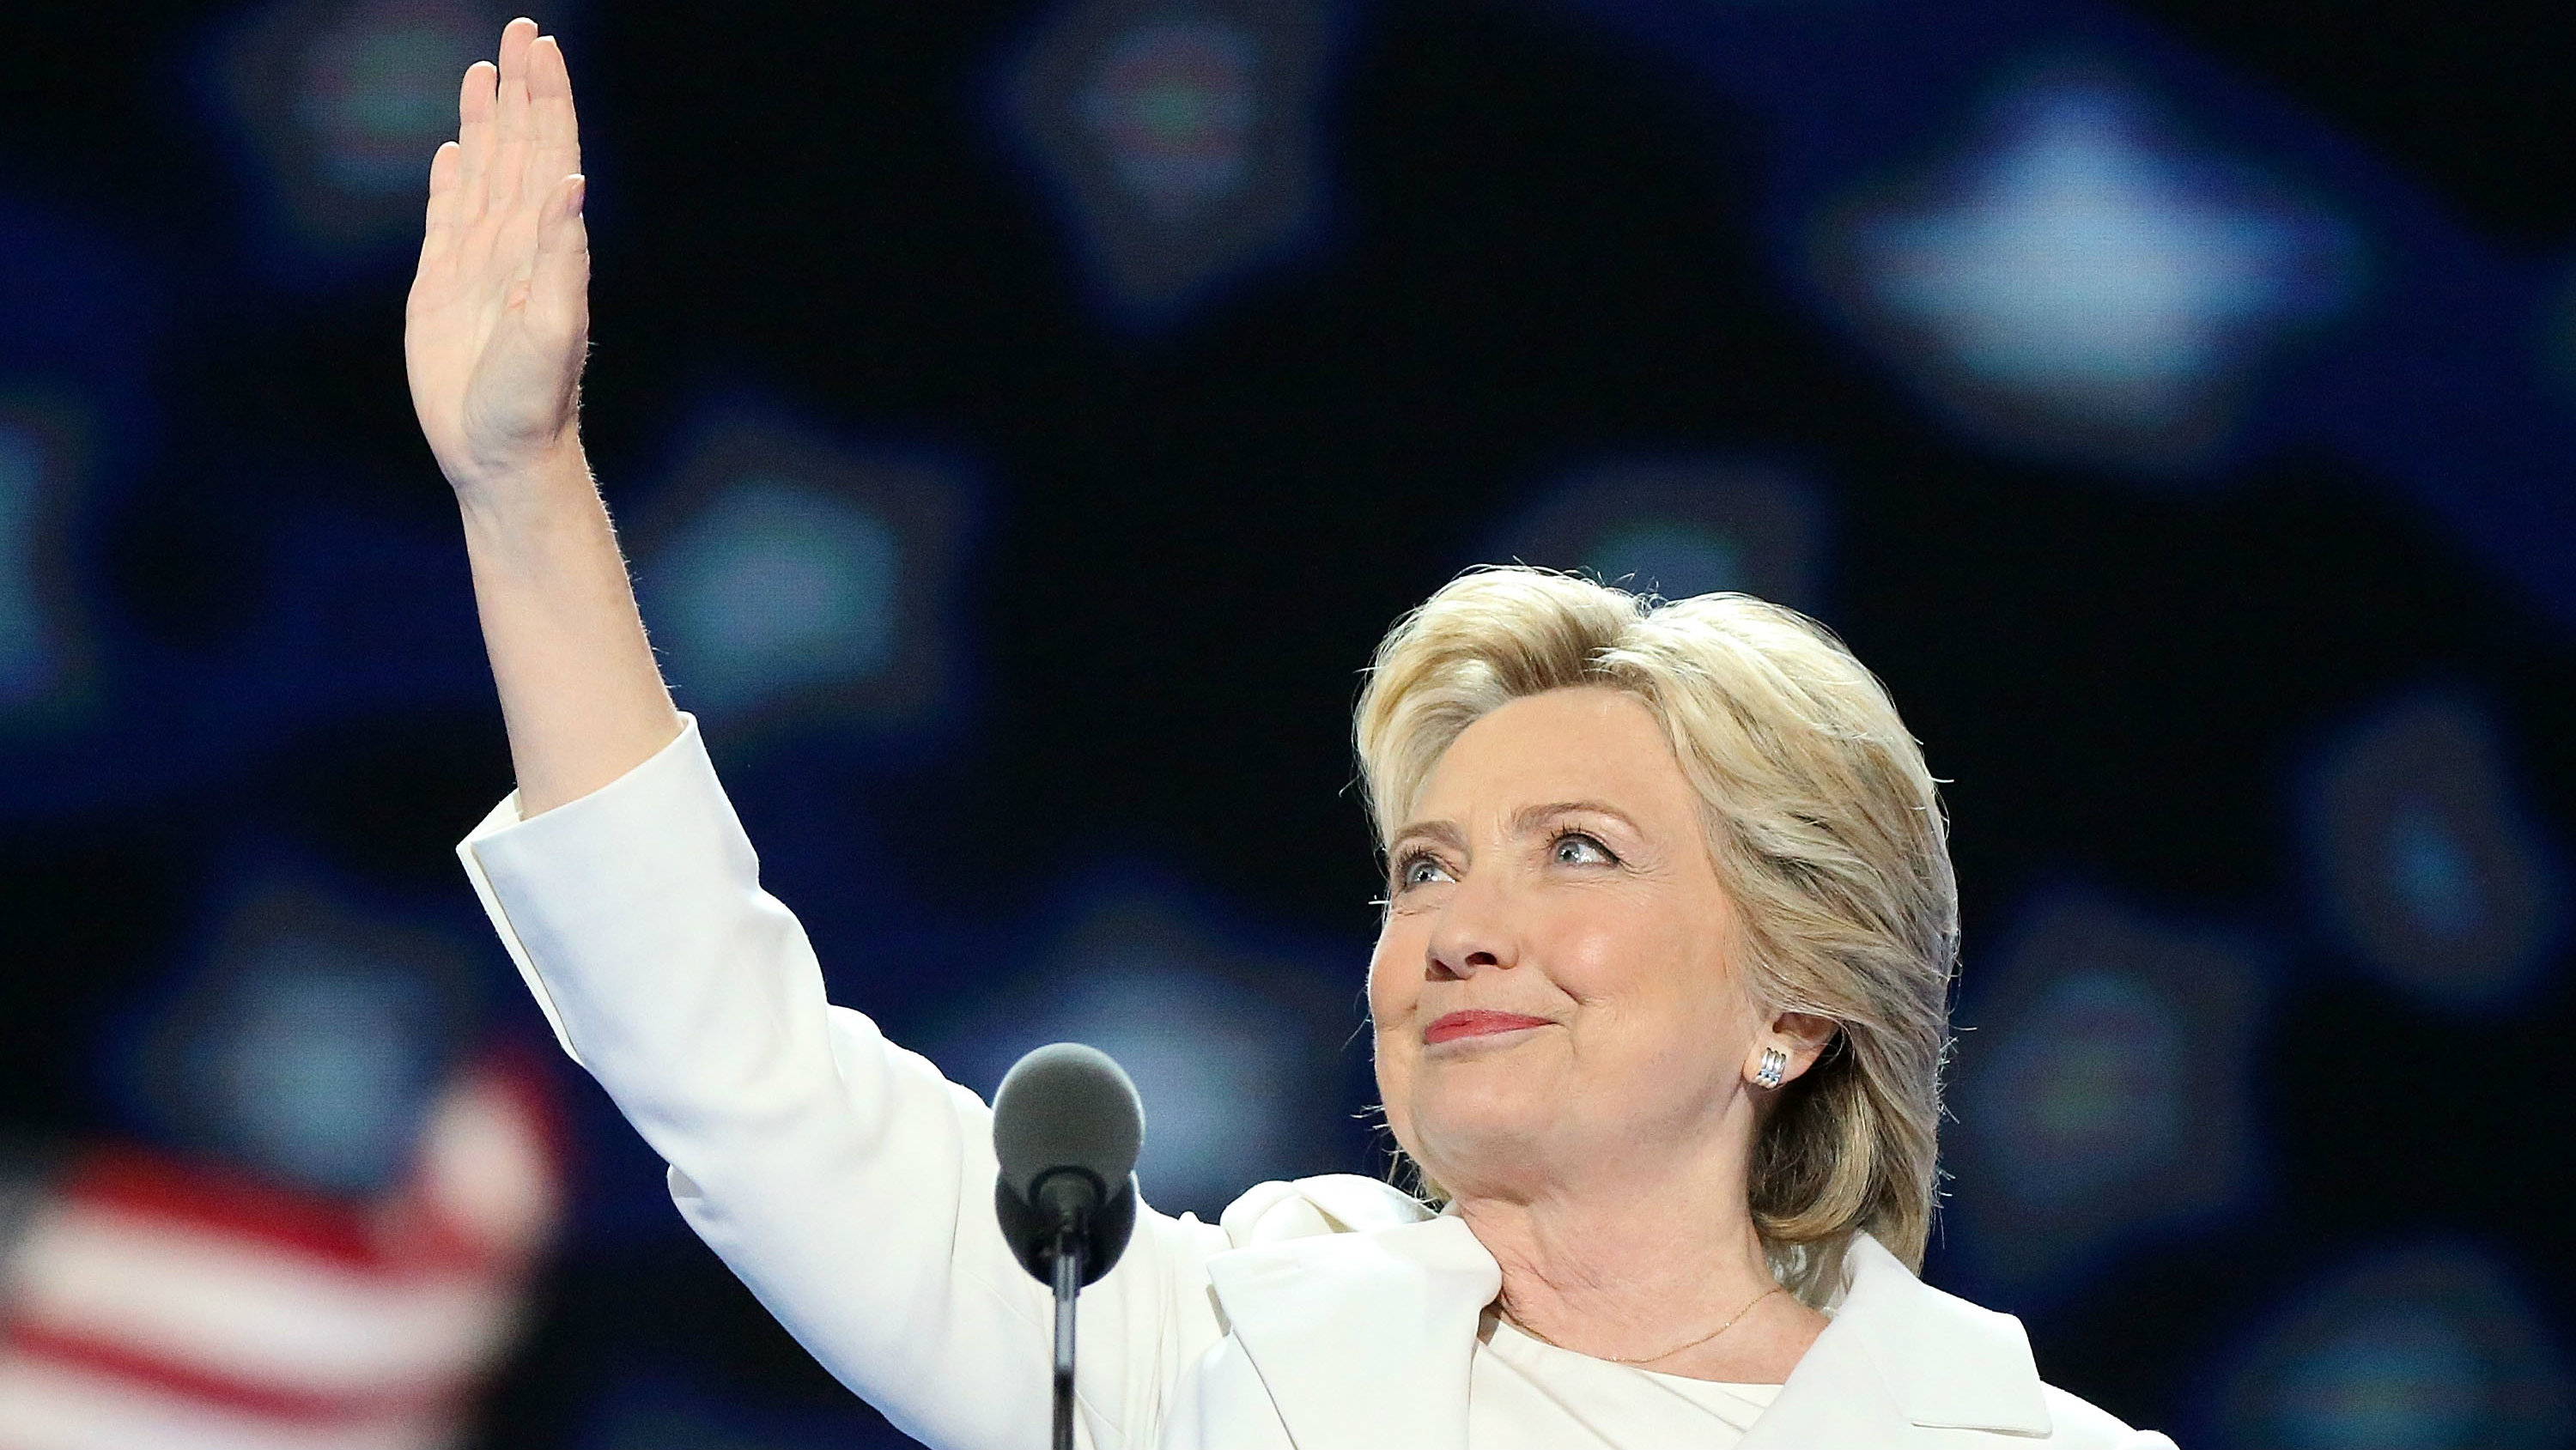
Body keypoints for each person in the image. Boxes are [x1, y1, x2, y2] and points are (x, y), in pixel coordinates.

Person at [408, 20, 2180, 1450]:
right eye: (1426, 864)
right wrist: (520, 485)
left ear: (1796, 1001)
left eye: (1580, 847)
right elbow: (740, 1071)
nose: (1455, 925)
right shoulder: (1215, 1353)